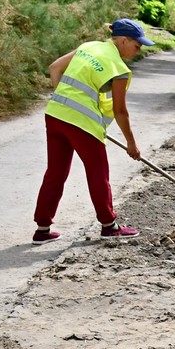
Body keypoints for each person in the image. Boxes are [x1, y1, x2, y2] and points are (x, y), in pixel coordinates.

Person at [32, 18, 152, 244]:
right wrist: (131, 144)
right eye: (137, 45)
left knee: (55, 173)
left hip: (55, 113)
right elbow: (120, 111)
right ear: (124, 40)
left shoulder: (88, 47)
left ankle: (42, 229)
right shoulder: (119, 69)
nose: (139, 50)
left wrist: (65, 99)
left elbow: (54, 67)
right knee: (98, 173)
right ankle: (109, 225)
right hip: (83, 123)